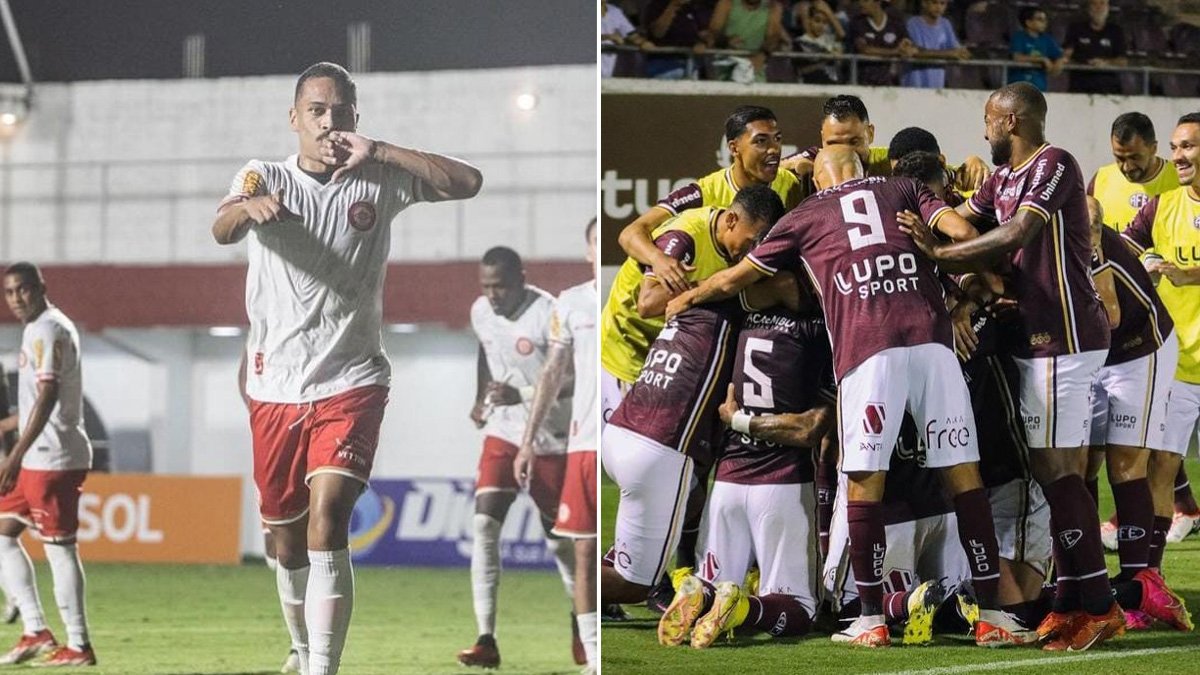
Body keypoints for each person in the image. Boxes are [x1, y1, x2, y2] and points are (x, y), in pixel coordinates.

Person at [666, 147, 1018, 648]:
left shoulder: (804, 215)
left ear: (819, 180)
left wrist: (687, 296)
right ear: (862, 170)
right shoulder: (902, 189)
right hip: (934, 345)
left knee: (864, 482)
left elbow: (736, 277)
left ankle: (870, 619)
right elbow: (963, 235)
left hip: (867, 351)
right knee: (964, 477)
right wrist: (959, 274)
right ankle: (994, 617)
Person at [211, 62, 482, 675]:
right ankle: (302, 647)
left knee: (329, 515)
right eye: (317, 111)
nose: (329, 122)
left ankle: (322, 668)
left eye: (342, 111)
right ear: (295, 118)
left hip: (353, 379)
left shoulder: (380, 177)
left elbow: (468, 181)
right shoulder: (265, 172)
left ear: (356, 116)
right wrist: (248, 205)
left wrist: (382, 149)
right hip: (274, 385)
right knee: (284, 539)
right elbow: (222, 226)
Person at [901, 82, 1122, 651]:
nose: (984, 131)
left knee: (1054, 470)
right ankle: (1074, 599)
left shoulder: (1055, 164)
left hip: (1065, 338)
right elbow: (963, 220)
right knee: (1060, 470)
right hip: (1035, 341)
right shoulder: (999, 179)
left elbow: (1017, 232)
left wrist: (940, 255)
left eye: (989, 121)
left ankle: (1099, 606)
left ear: (1013, 120)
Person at [600, 185, 786, 610]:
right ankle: (585, 584)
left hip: (644, 398)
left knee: (678, 499)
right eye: (754, 240)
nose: (755, 252)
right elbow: (648, 302)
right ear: (732, 221)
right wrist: (711, 284)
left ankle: (617, 567)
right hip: (632, 366)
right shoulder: (686, 235)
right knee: (637, 583)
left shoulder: (732, 254)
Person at [658, 273, 830, 649]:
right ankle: (741, 610)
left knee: (718, 579)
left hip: (728, 480)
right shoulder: (820, 328)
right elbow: (810, 429)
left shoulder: (742, 320)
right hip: (783, 483)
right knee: (801, 609)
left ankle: (701, 593)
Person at [461, 247, 578, 669]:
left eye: (501, 286)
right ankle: (485, 638)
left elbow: (572, 378)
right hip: (504, 431)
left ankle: (580, 616)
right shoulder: (481, 311)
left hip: (550, 438)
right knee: (483, 524)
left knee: (560, 544)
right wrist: (481, 398)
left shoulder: (549, 312)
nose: (492, 295)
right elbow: (484, 350)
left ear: (521, 278)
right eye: (486, 286)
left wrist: (524, 395)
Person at [1083, 197, 1192, 632]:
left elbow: (1107, 314)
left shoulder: (1087, 240)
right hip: (1093, 355)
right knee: (1081, 460)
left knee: (1128, 463)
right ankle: (1088, 576)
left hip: (1138, 352)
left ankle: (1138, 584)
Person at [514, 219, 600, 674]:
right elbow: (552, 372)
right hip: (584, 441)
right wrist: (527, 442)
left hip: (637, 432)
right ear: (587, 250)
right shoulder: (570, 304)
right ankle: (594, 655)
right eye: (594, 241)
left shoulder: (635, 292)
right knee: (583, 550)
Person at [0, 262, 95, 666]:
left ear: (41, 287)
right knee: (3, 534)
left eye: (23, 289)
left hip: (52, 457)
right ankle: (36, 630)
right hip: (38, 455)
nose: (17, 298)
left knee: (59, 549)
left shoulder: (49, 328)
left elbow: (49, 395)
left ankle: (78, 645)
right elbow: (38, 401)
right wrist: (11, 425)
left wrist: (14, 454)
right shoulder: (38, 328)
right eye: (9, 292)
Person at [1122, 113, 1200, 558]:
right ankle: (1149, 576)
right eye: (1174, 147)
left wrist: (1188, 274)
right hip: (1182, 364)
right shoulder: (1161, 206)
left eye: (1187, 146)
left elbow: (1187, 274)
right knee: (1162, 468)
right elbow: (1122, 249)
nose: (1178, 156)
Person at [704, 0, 788, 83]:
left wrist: (762, 55)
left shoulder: (773, 7)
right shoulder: (727, 3)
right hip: (725, 62)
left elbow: (773, 37)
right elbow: (714, 32)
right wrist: (726, 40)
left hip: (755, 64)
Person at [1062, 0, 1127, 95]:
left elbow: (1123, 61)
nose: (1098, 7)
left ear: (1108, 7)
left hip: (1109, 89)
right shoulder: (1076, 29)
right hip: (1080, 88)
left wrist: (1105, 63)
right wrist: (1083, 64)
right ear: (1088, 8)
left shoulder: (1116, 31)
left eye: (1102, 3)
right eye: (1094, 4)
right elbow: (1066, 55)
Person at [902, 0, 970, 89]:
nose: (938, 7)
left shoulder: (945, 24)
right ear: (924, 3)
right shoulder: (913, 23)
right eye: (934, 2)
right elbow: (915, 51)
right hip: (915, 81)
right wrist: (949, 53)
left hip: (937, 83)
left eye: (942, 3)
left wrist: (962, 53)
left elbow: (956, 50)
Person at [849, 0, 917, 86]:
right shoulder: (857, 22)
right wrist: (895, 52)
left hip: (891, 84)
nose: (861, 3)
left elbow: (909, 45)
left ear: (878, 2)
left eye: (865, 1)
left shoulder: (896, 23)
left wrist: (908, 49)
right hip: (863, 84)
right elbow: (864, 49)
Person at [1009, 6, 1065, 92]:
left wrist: (1058, 64)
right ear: (1028, 22)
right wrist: (1041, 59)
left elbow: (1058, 56)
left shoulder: (1046, 39)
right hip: (1018, 89)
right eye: (1040, 19)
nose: (1044, 22)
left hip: (1039, 88)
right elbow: (1017, 57)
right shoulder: (1019, 37)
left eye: (1045, 20)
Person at [602, 0, 653, 78]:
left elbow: (631, 34)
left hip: (611, 64)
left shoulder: (615, 11)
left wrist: (643, 43)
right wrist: (608, 37)